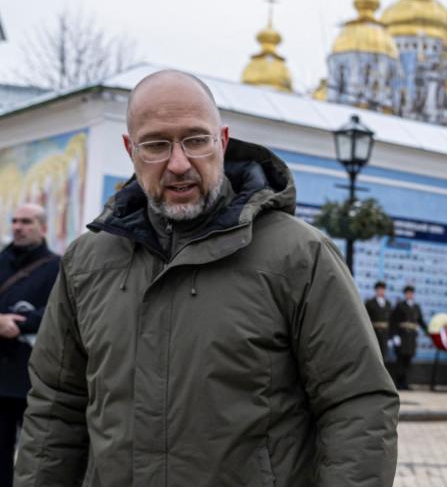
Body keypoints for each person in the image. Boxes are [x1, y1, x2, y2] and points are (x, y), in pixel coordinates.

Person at [14, 70, 399, 486]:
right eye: (157, 144)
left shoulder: (298, 256)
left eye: (196, 140)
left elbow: (357, 405)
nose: (179, 164)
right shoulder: (87, 262)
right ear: (130, 149)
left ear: (223, 140)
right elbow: (56, 410)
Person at [0, 204, 59, 487]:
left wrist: (20, 325)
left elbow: (59, 311)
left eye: (26, 221)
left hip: (36, 377)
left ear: (43, 227)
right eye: (14, 221)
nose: (18, 227)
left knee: (37, 454)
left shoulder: (57, 266)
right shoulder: (1, 261)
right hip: (1, 377)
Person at [389, 284, 427, 390]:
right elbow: (393, 321)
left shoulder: (416, 307)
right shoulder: (400, 305)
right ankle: (398, 383)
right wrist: (394, 336)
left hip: (411, 338)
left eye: (411, 293)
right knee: (400, 360)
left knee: (408, 361)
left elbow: (421, 321)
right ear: (405, 294)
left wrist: (429, 331)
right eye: (408, 293)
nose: (410, 295)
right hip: (402, 336)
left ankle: (405, 383)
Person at [365, 281, 392, 360]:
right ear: (376, 290)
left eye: (383, 289)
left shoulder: (388, 303)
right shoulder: (370, 303)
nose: (381, 291)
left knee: (384, 354)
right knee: (374, 354)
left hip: (385, 333)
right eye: (379, 289)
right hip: (374, 332)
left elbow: (391, 320)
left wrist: (391, 336)